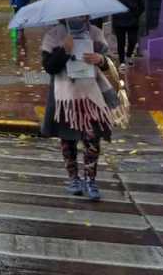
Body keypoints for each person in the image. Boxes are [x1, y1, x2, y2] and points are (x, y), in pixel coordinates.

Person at [40, 15, 119, 201]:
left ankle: (90, 180)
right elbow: (49, 67)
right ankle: (73, 179)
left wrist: (100, 59)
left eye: (83, 14)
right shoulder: (54, 35)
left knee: (92, 138)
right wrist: (64, 51)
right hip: (65, 97)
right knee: (68, 140)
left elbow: (108, 63)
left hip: (92, 94)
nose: (79, 17)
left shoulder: (95, 33)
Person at [111, 0, 144, 65]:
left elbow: (141, 6)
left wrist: (135, 15)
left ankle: (129, 55)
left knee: (132, 41)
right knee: (120, 42)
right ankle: (121, 60)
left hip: (132, 22)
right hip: (119, 22)